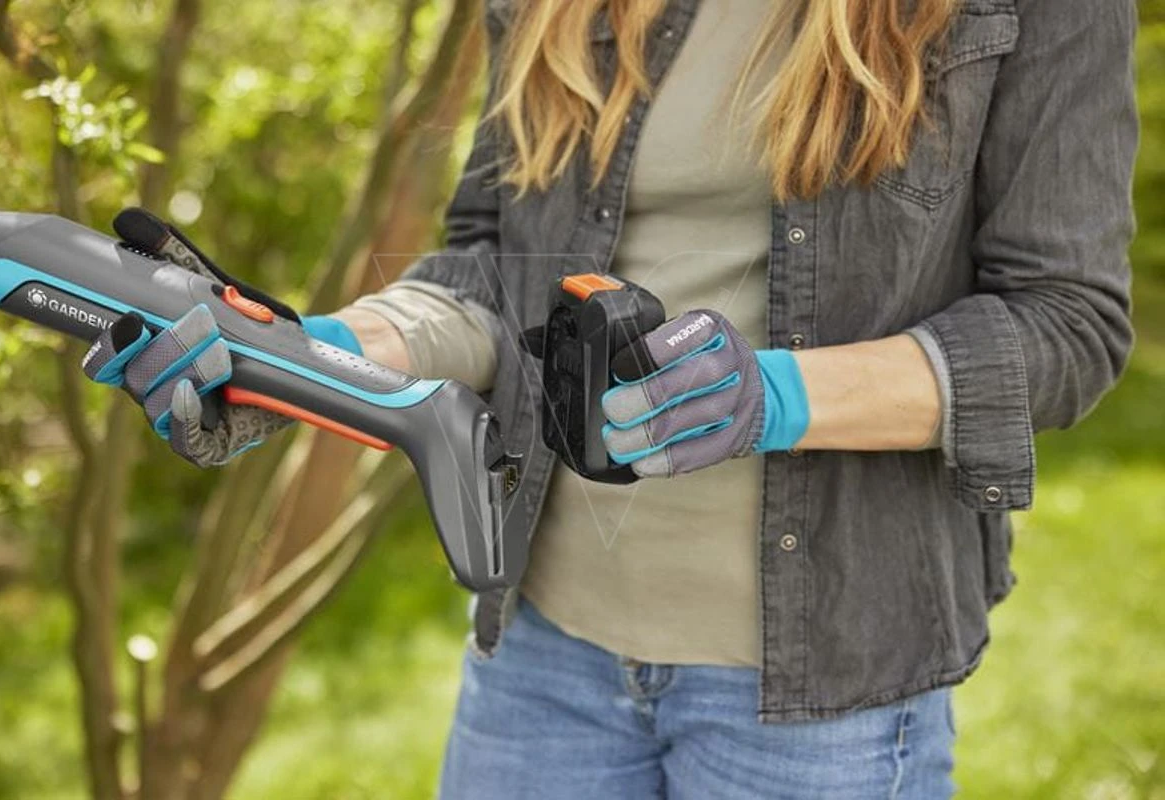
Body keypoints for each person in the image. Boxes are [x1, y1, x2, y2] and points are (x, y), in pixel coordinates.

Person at [83, 0, 1138, 796]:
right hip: (548, 656)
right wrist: (310, 357)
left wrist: (777, 396)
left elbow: (1068, 322)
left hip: (825, 692)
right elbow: (493, 267)